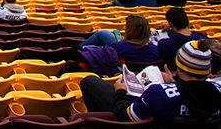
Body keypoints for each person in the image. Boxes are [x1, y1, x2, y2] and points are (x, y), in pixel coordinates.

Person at [79, 40, 221, 121]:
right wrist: (175, 85)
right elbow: (191, 96)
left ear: (179, 65)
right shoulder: (217, 92)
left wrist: (121, 92)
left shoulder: (158, 93)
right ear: (207, 70)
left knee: (90, 81)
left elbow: (127, 116)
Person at [78, 15, 162, 70]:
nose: (124, 28)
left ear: (130, 31)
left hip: (121, 71)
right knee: (104, 34)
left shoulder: (118, 47)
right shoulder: (156, 50)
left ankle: (78, 49)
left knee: (102, 33)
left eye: (126, 27)